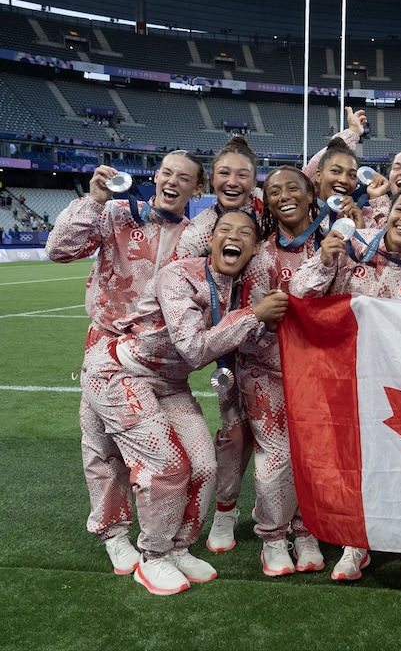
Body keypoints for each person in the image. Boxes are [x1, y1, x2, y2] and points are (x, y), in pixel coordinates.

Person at [84, 210, 287, 595]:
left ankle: (178, 547)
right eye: (225, 230)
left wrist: (265, 322)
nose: (235, 237)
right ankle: (153, 557)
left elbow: (243, 339)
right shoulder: (178, 274)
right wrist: (253, 316)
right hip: (120, 373)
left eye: (246, 233)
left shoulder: (242, 286)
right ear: (211, 240)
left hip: (171, 382)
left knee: (205, 466)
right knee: (167, 465)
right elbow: (193, 348)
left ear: (256, 247)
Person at [45, 153, 205, 578]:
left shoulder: (194, 238)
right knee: (101, 446)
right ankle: (114, 534)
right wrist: (93, 200)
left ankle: (171, 542)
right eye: (167, 172)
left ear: (196, 190)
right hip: (108, 350)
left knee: (189, 458)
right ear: (155, 177)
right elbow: (58, 250)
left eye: (184, 178)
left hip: (162, 363)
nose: (173, 181)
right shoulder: (116, 214)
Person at [290, 167, 401, 581]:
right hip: (344, 376)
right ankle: (355, 545)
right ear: (388, 211)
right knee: (355, 461)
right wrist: (323, 260)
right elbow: (299, 294)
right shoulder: (349, 244)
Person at [236, 166, 327, 576]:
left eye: (293, 187)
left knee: (311, 455)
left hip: (319, 374)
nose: (284, 195)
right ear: (268, 202)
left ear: (312, 194)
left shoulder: (335, 244)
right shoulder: (262, 256)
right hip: (264, 370)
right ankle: (272, 536)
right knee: (274, 456)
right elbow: (253, 320)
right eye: (274, 191)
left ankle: (305, 529)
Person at [174, 135, 262, 556]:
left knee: (282, 435)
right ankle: (225, 512)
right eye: (224, 172)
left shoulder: (270, 212)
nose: (233, 180)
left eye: (242, 174)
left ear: (254, 180)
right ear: (211, 179)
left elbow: (314, 178)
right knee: (233, 433)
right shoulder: (198, 231)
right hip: (226, 348)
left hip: (273, 346)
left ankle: (285, 519)